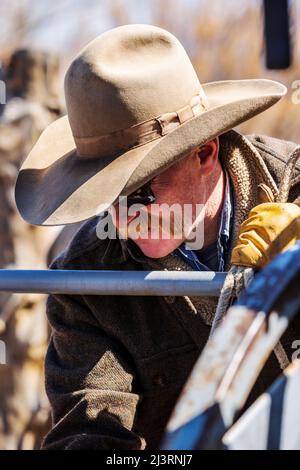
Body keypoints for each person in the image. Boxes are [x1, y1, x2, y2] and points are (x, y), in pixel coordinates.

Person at [15, 24, 300, 450]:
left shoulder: (293, 185)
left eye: (140, 192)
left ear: (205, 151)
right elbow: (89, 433)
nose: (123, 218)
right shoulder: (87, 281)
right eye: (105, 195)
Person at [0, 49, 63, 449]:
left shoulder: (17, 125)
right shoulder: (60, 129)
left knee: (19, 408)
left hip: (22, 284)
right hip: (52, 284)